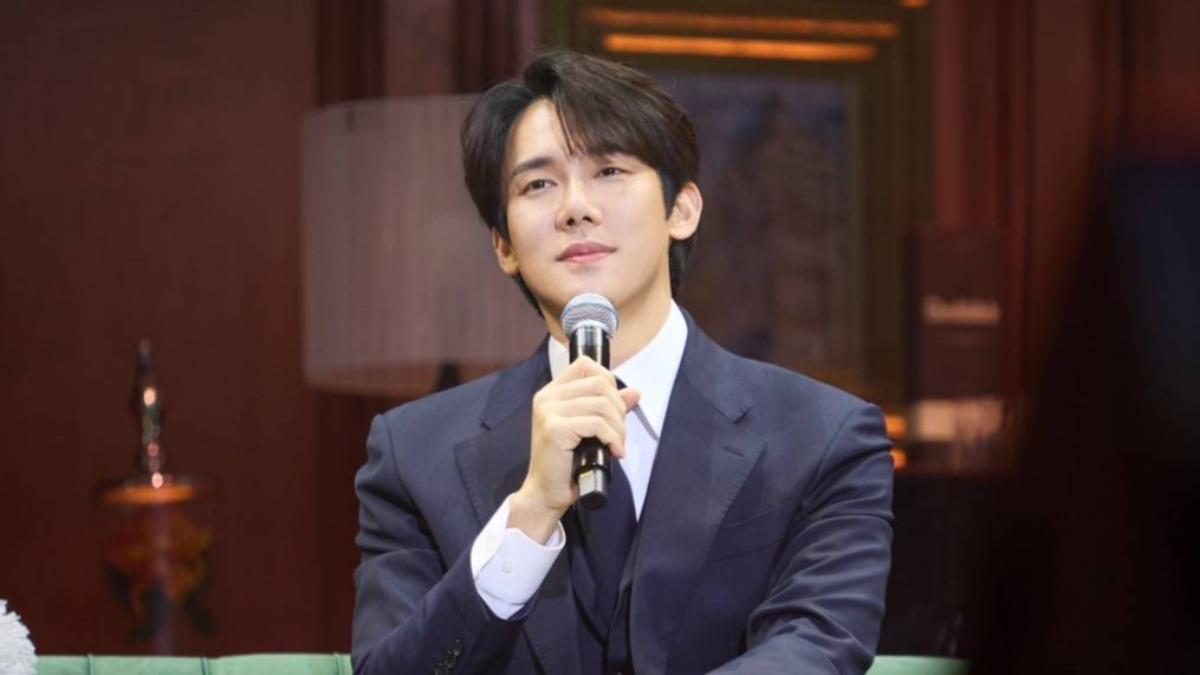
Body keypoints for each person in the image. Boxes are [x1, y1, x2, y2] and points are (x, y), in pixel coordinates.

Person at [351, 50, 894, 675]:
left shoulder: (824, 437)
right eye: (538, 184)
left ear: (681, 209)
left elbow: (817, 646)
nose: (575, 208)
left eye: (609, 170)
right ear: (503, 246)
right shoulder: (412, 454)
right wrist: (528, 517)